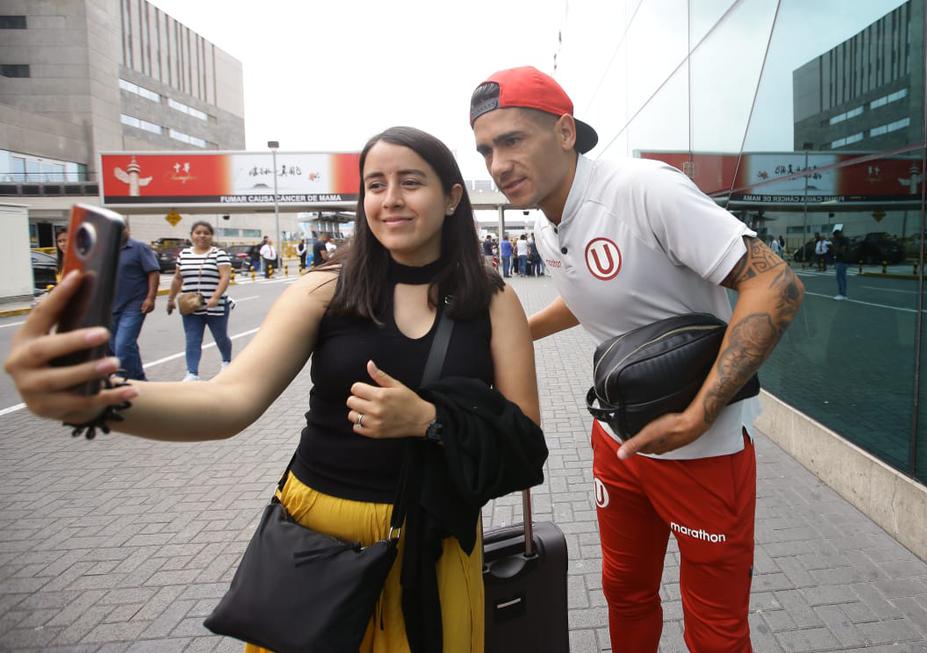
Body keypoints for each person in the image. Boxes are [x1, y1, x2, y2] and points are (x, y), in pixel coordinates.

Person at [5, 126, 543, 653]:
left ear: (452, 198)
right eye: (375, 184)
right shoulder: (324, 287)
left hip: (436, 545)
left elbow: (526, 444)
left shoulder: (494, 299)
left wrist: (429, 421)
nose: (390, 200)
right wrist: (103, 398)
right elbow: (228, 402)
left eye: (410, 182)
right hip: (318, 544)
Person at [470, 66, 804, 653]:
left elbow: (776, 285)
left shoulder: (643, 189)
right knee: (624, 590)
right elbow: (588, 298)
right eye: (486, 149)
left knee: (716, 626)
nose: (498, 164)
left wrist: (700, 412)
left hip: (700, 445)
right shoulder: (545, 221)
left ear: (566, 132)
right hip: (618, 439)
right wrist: (508, 337)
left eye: (513, 140)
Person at [166, 221, 233, 382]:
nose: (202, 235)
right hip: (191, 306)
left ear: (211, 236)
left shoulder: (219, 254)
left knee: (220, 336)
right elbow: (177, 278)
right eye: (198, 232)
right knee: (192, 339)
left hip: (215, 306)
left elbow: (225, 277)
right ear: (192, 235)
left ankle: (226, 362)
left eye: (206, 233)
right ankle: (192, 373)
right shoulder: (184, 255)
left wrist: (216, 297)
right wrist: (170, 299)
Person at [109, 220, 160, 381]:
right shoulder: (105, 250)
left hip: (134, 304)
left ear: (127, 229)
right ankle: (140, 379)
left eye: (121, 228)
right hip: (110, 307)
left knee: (122, 345)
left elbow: (153, 272)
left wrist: (150, 298)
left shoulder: (139, 248)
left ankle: (121, 381)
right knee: (120, 346)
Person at [831, 229, 849, 300]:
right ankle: (843, 294)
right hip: (842, 261)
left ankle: (842, 294)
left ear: (838, 234)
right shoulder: (842, 240)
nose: (835, 238)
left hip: (842, 261)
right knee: (842, 277)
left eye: (835, 236)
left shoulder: (843, 240)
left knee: (840, 277)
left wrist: (833, 247)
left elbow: (842, 251)